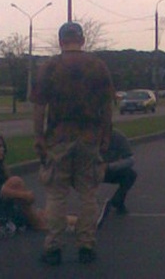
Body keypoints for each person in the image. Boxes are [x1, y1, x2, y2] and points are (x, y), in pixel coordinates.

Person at [31, 22, 114, 265]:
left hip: (59, 138)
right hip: (89, 138)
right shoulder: (97, 66)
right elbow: (107, 105)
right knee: (89, 195)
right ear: (83, 40)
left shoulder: (49, 67)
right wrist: (105, 134)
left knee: (57, 196)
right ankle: (86, 246)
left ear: (60, 41)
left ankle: (53, 247)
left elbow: (39, 107)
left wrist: (39, 136)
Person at [102, 129, 137, 215]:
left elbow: (130, 160)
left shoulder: (118, 137)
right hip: (88, 171)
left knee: (130, 174)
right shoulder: (86, 137)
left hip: (109, 170)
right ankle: (88, 207)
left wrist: (109, 166)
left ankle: (118, 200)